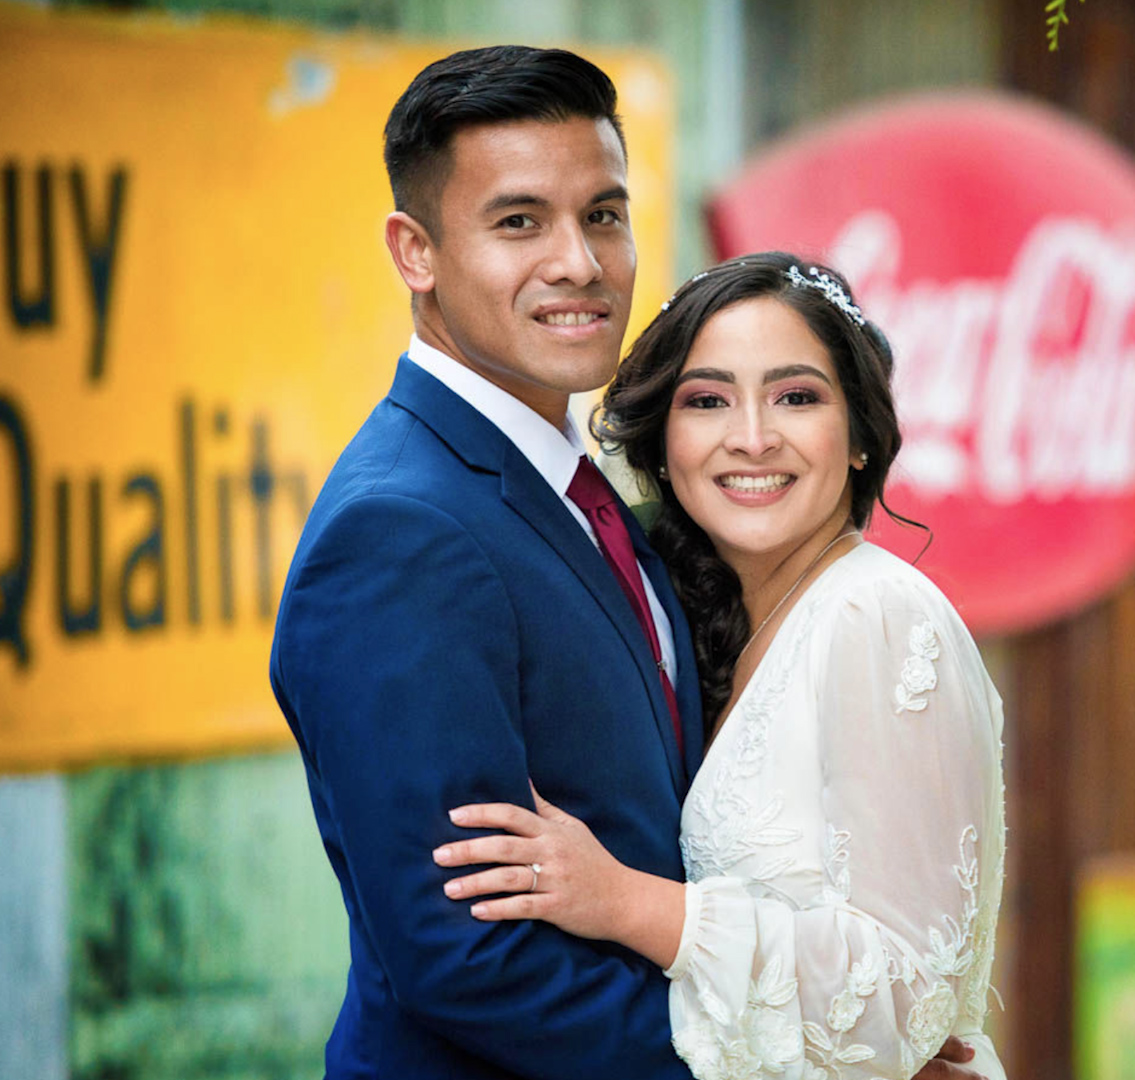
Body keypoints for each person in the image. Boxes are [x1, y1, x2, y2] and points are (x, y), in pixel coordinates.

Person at [269, 47, 984, 1080]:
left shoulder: (601, 504)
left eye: (603, 215)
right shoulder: (401, 530)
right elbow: (467, 960)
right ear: (415, 251)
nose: (580, 262)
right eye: (520, 222)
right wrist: (802, 1066)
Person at [430, 253, 1009, 1080]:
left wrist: (623, 901)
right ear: (664, 446)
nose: (752, 437)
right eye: (707, 401)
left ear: (858, 436)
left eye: (796, 397)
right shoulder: (708, 621)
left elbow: (905, 997)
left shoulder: (876, 615)